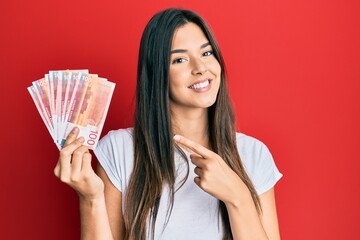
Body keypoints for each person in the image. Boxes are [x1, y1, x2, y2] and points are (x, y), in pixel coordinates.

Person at [54, 8, 283, 240]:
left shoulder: (253, 155)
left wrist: (239, 198)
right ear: (157, 73)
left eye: (206, 53)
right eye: (180, 59)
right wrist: (91, 199)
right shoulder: (119, 149)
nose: (200, 67)